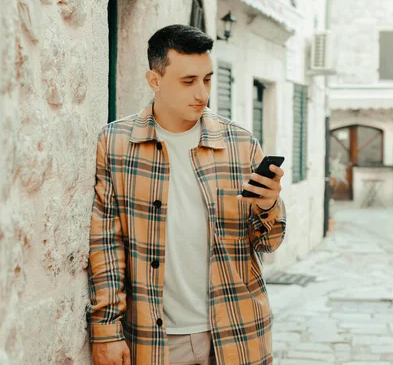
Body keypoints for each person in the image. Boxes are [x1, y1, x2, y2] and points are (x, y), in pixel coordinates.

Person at [87, 24, 286, 365]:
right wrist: (106, 330)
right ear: (155, 81)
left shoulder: (239, 144)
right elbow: (106, 243)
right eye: (188, 81)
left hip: (236, 334)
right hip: (154, 341)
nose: (202, 93)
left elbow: (269, 242)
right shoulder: (117, 143)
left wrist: (268, 205)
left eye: (207, 79)